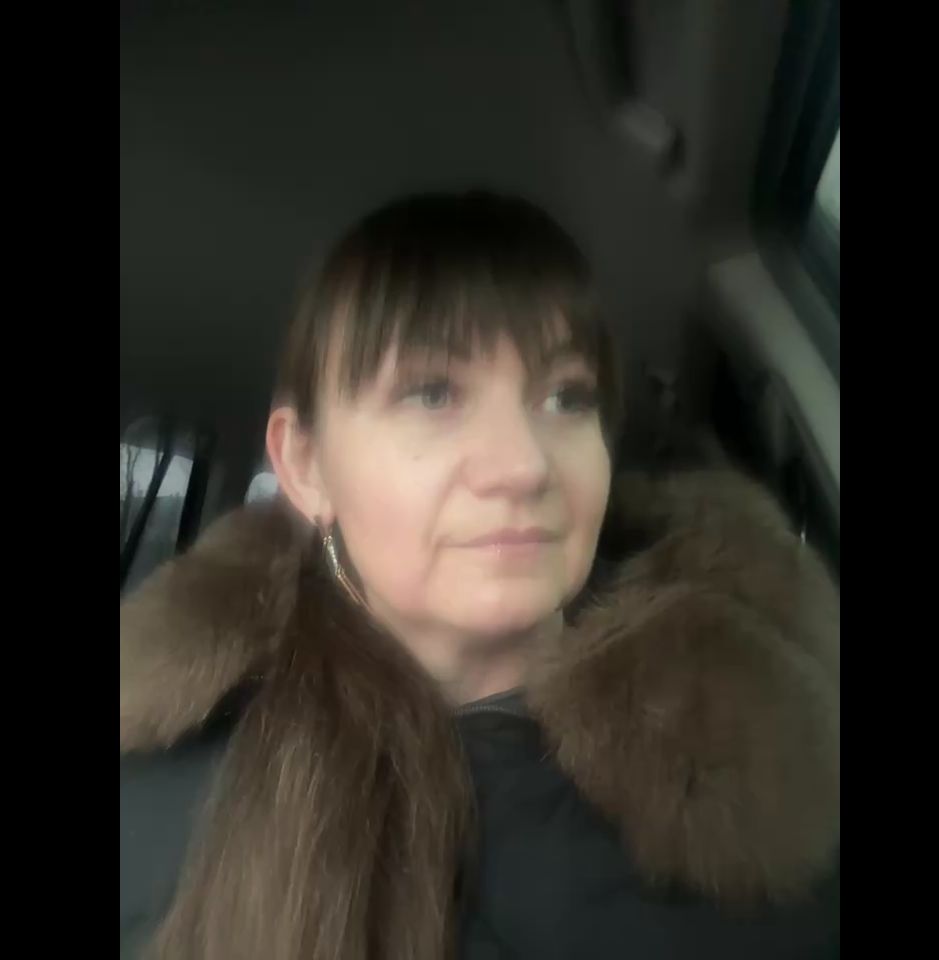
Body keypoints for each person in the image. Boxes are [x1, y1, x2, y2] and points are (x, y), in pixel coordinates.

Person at [120, 192, 840, 959]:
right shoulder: (161, 797)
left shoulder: (770, 773)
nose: (524, 465)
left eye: (566, 398)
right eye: (432, 393)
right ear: (305, 466)